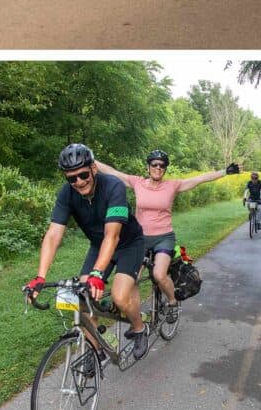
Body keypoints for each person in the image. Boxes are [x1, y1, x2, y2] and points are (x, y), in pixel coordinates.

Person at [24, 143, 150, 362]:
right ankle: (96, 350)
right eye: (72, 178)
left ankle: (139, 328)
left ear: (93, 168)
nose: (79, 182)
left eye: (83, 175)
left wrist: (97, 273)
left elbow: (112, 235)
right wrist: (40, 277)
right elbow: (53, 235)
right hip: (98, 245)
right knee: (81, 298)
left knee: (120, 297)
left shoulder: (113, 187)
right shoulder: (67, 194)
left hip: (128, 244)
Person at [96, 151, 239, 321]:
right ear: (148, 167)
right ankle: (134, 315)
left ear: (165, 169)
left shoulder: (172, 185)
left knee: (159, 274)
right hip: (139, 239)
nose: (158, 167)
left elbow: (199, 179)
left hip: (164, 238)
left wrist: (225, 171)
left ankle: (172, 302)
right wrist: (90, 160)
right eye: (154, 164)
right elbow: (113, 172)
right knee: (132, 278)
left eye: (162, 165)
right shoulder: (137, 183)